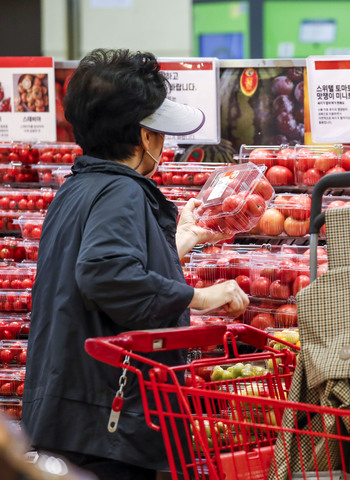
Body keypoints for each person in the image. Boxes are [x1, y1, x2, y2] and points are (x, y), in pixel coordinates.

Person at [21, 49, 249, 480]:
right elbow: (105, 273)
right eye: (159, 132)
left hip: (70, 412)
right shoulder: (121, 192)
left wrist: (176, 244)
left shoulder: (75, 191)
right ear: (144, 137)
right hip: (108, 421)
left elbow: (94, 272)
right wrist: (202, 296)